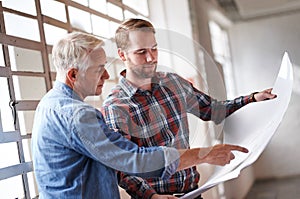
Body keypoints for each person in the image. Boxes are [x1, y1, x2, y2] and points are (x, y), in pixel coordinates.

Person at [31, 32, 248, 199]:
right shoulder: (78, 115)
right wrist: (206, 155)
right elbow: (135, 160)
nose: (107, 75)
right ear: (73, 74)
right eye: (99, 69)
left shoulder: (49, 104)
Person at [101, 18, 277, 199]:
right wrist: (152, 197)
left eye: (154, 48)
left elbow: (211, 109)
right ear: (122, 55)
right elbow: (123, 166)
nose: (151, 57)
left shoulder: (174, 83)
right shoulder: (116, 106)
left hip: (193, 193)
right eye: (141, 52)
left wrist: (252, 99)